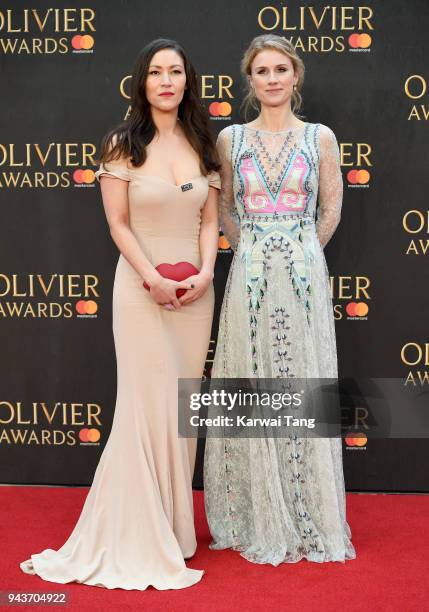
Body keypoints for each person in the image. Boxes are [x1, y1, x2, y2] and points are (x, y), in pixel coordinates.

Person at [20, 38, 220, 590]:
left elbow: (209, 222)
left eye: (176, 71)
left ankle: (176, 532)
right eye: (156, 71)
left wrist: (205, 274)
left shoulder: (206, 143)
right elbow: (118, 224)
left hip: (195, 296)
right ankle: (136, 531)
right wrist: (151, 278)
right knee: (142, 404)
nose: (166, 81)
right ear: (142, 81)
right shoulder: (120, 144)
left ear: (187, 81)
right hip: (140, 289)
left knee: (181, 407)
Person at [204, 34, 356, 565]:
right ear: (250, 80)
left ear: (296, 77)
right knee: (252, 379)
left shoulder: (321, 137)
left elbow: (331, 208)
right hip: (248, 275)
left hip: (302, 276)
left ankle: (306, 508)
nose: (272, 79)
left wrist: (303, 251)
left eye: (281, 70)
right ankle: (254, 511)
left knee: (303, 381)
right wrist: (248, 250)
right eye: (262, 71)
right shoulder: (230, 140)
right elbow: (224, 210)